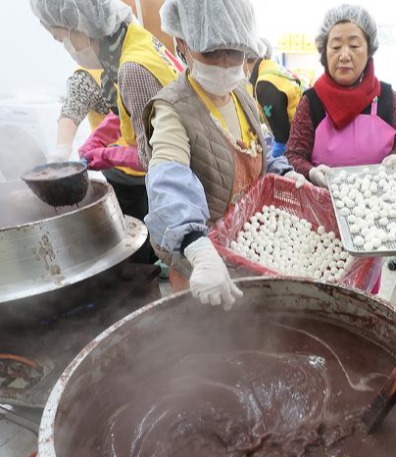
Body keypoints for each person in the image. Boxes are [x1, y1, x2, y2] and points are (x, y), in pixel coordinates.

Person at [142, 0, 305, 310]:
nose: (225, 64)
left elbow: (259, 149)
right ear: (182, 44)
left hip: (244, 247)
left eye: (235, 53)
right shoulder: (173, 109)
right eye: (211, 53)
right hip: (201, 266)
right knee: (208, 340)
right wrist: (198, 249)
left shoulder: (242, 94)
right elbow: (167, 179)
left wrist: (284, 174)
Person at [30, 0, 183, 264]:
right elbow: (137, 107)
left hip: (181, 179)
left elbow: (158, 157)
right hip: (180, 174)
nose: (67, 48)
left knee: (175, 259)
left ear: (80, 27)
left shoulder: (132, 67)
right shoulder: (135, 42)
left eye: (60, 39)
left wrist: (110, 156)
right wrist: (98, 137)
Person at [285, 4, 396, 188]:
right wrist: (310, 172)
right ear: (325, 52)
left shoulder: (386, 98)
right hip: (322, 204)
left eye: (354, 46)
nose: (344, 55)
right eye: (336, 47)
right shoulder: (312, 102)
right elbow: (293, 155)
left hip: (379, 202)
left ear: (369, 50)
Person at [244, 38, 306, 159]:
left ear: (244, 59)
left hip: (299, 144)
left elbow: (282, 139)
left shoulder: (264, 83)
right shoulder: (273, 69)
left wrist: (272, 161)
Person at [46, 68, 110, 163]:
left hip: (133, 156)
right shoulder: (86, 77)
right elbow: (73, 109)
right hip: (116, 162)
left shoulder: (131, 64)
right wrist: (62, 149)